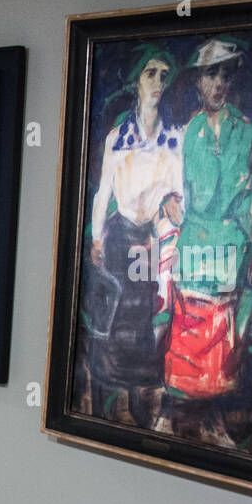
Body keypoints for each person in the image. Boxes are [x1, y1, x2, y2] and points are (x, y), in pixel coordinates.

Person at [161, 37, 252, 447]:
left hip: (229, 245)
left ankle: (213, 422)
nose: (218, 82)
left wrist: (247, 249)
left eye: (225, 73)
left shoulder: (246, 132)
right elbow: (170, 190)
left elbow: (245, 198)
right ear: (198, 81)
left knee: (222, 341)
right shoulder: (187, 133)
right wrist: (171, 206)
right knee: (187, 335)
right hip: (194, 247)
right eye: (210, 73)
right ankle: (168, 415)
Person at [82, 45, 183, 428]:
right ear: (136, 80)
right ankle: (119, 398)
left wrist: (172, 206)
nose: (157, 82)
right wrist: (97, 237)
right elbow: (103, 191)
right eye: (150, 73)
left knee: (144, 320)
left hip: (152, 238)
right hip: (121, 237)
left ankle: (141, 396)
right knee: (118, 318)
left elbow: (178, 192)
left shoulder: (172, 138)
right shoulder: (118, 138)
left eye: (163, 75)